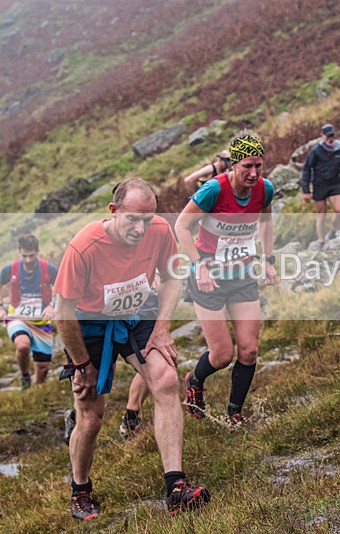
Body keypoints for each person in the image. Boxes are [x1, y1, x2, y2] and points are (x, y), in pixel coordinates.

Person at [54, 178, 210, 520]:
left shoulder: (159, 230)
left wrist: (163, 328)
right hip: (89, 327)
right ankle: (80, 490)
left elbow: (171, 278)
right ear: (114, 211)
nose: (141, 227)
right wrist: (82, 365)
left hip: (137, 314)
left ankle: (176, 487)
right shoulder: (84, 246)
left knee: (166, 380)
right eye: (132, 219)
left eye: (148, 218)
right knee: (91, 416)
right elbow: (63, 313)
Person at [177, 130, 276, 425]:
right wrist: (199, 267)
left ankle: (234, 412)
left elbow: (266, 222)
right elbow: (181, 227)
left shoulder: (265, 189)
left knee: (249, 349)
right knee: (221, 355)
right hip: (210, 279)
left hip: (243, 276)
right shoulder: (213, 191)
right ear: (233, 165)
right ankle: (194, 380)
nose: (253, 173)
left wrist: (268, 260)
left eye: (258, 165)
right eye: (247, 166)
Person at [0, 235, 59, 389]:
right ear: (19, 252)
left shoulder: (49, 268)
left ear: (37, 252)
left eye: (31, 256)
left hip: (41, 321)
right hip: (17, 317)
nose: (27, 260)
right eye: (24, 256)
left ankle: (33, 390)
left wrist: (52, 305)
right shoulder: (10, 269)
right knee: (23, 346)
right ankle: (25, 376)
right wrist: (0, 307)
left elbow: (62, 288)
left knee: (43, 370)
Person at [301, 123, 340, 243]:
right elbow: (307, 169)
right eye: (328, 136)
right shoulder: (316, 151)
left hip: (334, 183)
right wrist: (306, 191)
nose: (330, 138)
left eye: (332, 136)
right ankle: (321, 241)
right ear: (322, 136)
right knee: (322, 214)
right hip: (319, 185)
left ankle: (334, 232)